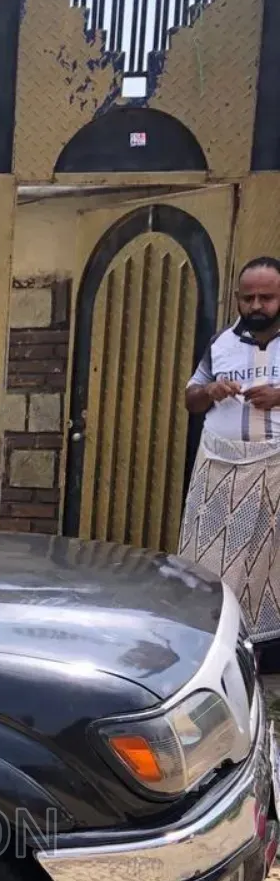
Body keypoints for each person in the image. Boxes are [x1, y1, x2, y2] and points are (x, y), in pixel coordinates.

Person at [178, 257, 280, 667]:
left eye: (267, 297)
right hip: (218, 469)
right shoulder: (220, 344)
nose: (256, 305)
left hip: (275, 468)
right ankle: (211, 649)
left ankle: (265, 659)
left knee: (268, 565)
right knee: (209, 562)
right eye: (248, 297)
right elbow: (190, 398)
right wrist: (213, 391)